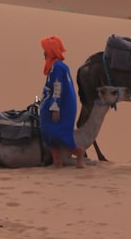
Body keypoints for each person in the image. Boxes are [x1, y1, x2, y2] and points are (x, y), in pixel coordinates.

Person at [40, 35, 85, 169]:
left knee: (58, 133)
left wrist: (55, 107)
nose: (44, 53)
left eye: (46, 50)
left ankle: (79, 152)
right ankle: (57, 162)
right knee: (51, 133)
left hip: (60, 105)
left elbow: (58, 87)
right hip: (56, 103)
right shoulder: (56, 66)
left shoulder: (58, 67)